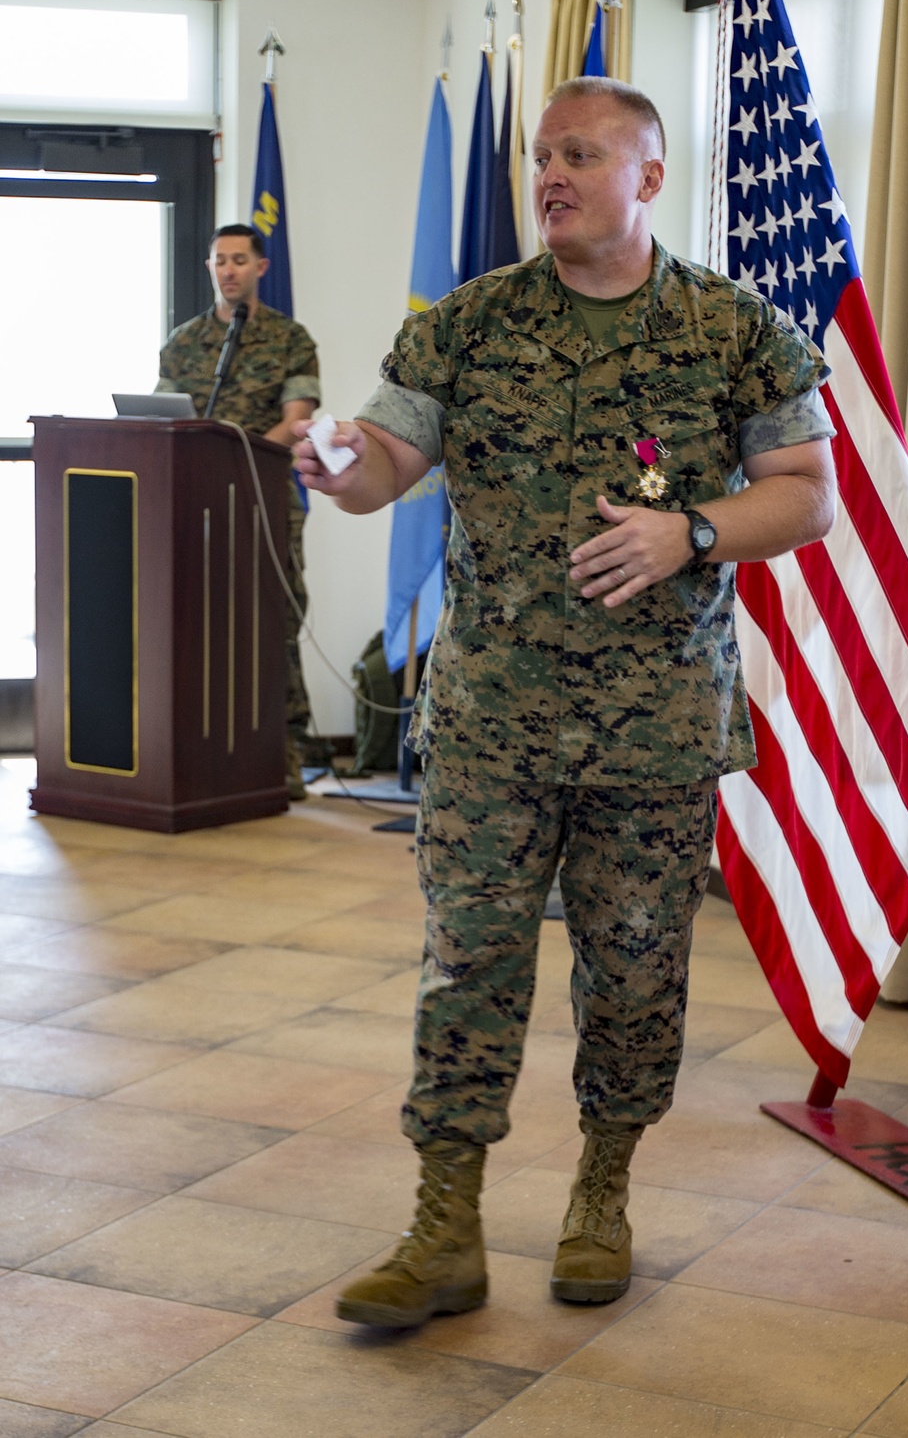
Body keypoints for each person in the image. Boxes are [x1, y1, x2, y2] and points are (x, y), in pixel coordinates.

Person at [295, 78, 837, 1326]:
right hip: (492, 721)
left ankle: (602, 1191)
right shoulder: (470, 324)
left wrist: (688, 532)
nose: (551, 174)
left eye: (581, 155)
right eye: (542, 155)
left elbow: (805, 493)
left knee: (636, 973)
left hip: (653, 729)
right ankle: (444, 1228)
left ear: (647, 178)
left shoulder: (731, 327)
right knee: (467, 966)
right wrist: (337, 462)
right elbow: (383, 466)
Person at [157, 224, 320, 799]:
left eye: (239, 260)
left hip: (264, 497)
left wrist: (230, 459)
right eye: (219, 260)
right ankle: (193, 751)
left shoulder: (290, 339)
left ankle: (285, 754)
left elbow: (297, 418)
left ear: (261, 268)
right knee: (186, 621)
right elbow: (160, 418)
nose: (228, 269)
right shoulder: (182, 342)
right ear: (209, 268)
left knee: (273, 623)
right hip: (188, 502)